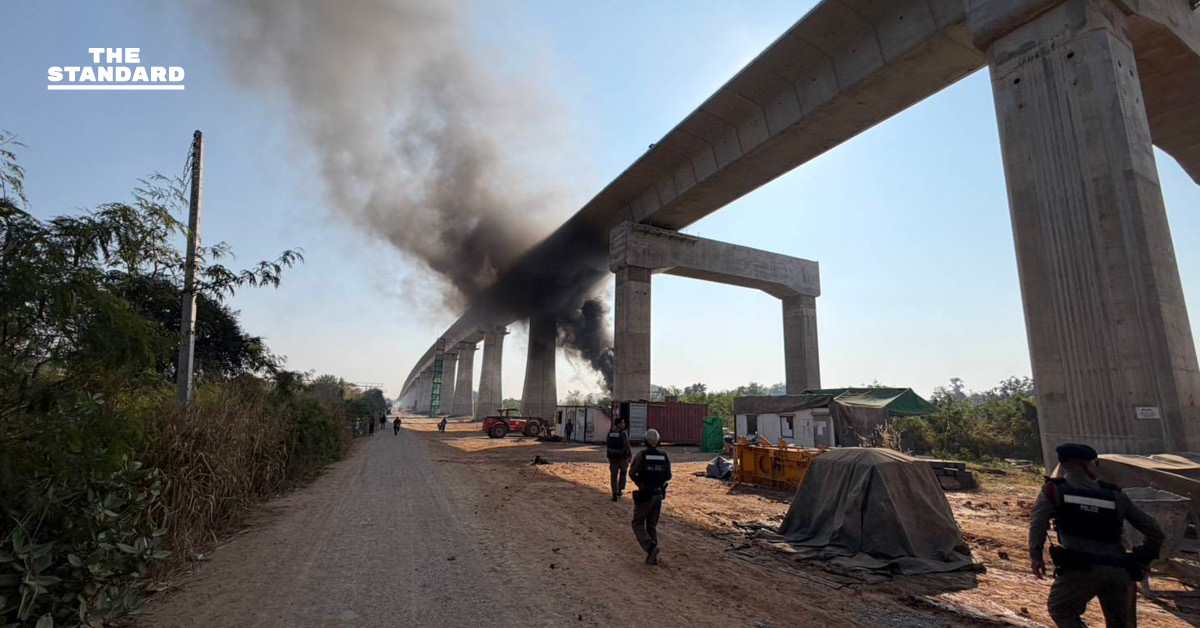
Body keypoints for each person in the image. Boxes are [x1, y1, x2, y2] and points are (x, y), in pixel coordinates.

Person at [1029, 443, 1165, 628]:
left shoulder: (1054, 490)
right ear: (1085, 465)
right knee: (1121, 623)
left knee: (1061, 610)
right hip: (1119, 570)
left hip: (1079, 570)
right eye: (1095, 463)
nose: (1096, 467)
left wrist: (1036, 556)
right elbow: (1154, 531)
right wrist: (1143, 557)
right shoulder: (1114, 494)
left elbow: (1038, 524)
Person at [629, 428, 671, 566]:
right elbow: (668, 476)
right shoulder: (664, 456)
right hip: (658, 495)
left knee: (637, 523)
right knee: (651, 525)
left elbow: (632, 473)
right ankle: (653, 556)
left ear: (645, 440)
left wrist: (640, 483)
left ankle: (651, 547)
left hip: (645, 494)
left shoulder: (642, 455)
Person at [606, 419, 632, 501]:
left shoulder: (610, 433)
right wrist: (629, 455)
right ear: (618, 424)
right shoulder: (623, 433)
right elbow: (627, 445)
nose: (624, 424)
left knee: (613, 475)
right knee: (623, 474)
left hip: (613, 457)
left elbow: (608, 444)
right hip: (622, 458)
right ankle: (620, 490)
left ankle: (614, 493)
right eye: (622, 422)